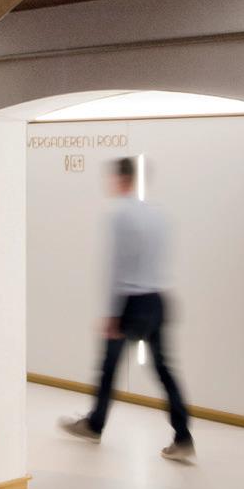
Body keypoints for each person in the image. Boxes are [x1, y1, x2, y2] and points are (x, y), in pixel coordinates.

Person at [59, 156, 195, 462]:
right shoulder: (159, 215)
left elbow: (117, 266)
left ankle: (95, 424)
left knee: (108, 368)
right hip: (157, 299)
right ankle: (183, 435)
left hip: (131, 301)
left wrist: (112, 313)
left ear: (121, 179)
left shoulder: (119, 214)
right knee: (164, 370)